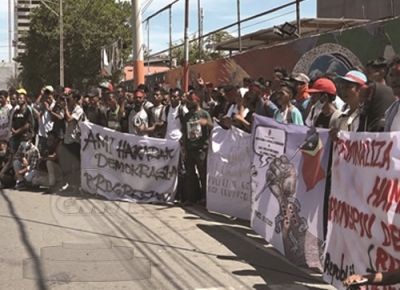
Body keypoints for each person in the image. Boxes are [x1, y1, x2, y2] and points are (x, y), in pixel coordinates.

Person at [181, 93, 213, 205]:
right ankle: (191, 198)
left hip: (201, 149)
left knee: (203, 174)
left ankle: (205, 198)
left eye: (191, 100)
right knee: (190, 174)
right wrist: (184, 147)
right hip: (190, 149)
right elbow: (184, 132)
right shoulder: (187, 116)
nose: (189, 102)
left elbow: (213, 127)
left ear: (197, 101)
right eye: (188, 100)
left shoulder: (204, 113)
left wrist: (206, 123)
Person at [329, 70, 368, 140]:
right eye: (343, 87)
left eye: (348, 86)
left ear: (361, 89)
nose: (344, 90)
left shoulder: (366, 118)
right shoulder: (340, 117)